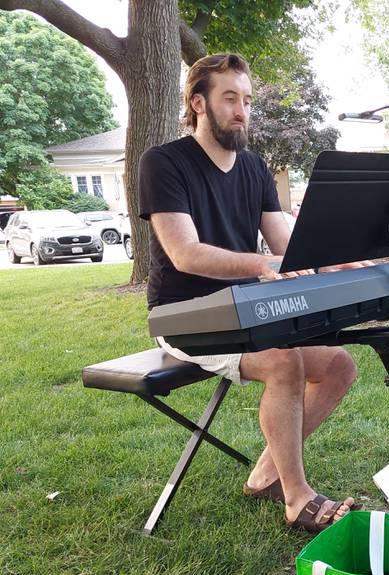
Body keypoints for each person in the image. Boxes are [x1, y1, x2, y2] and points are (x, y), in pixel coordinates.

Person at [138, 53, 367, 533]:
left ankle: (266, 471)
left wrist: (335, 255)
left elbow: (288, 247)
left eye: (246, 100)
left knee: (340, 366)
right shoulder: (163, 163)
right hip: (184, 314)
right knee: (285, 361)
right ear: (197, 102)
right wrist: (263, 265)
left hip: (247, 311)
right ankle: (297, 496)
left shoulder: (255, 168)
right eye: (230, 99)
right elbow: (185, 254)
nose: (242, 111)